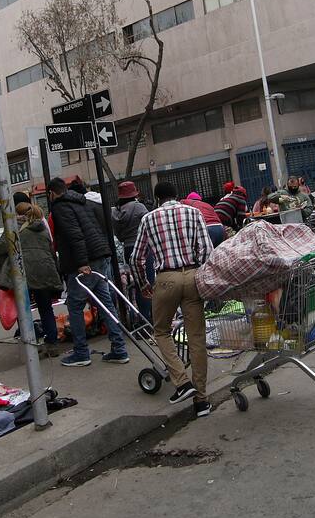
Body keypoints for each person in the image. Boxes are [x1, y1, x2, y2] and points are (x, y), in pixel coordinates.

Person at [131, 181, 213, 417]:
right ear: (177, 195)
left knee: (161, 331)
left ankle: (181, 381)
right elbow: (206, 250)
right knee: (196, 338)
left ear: (157, 199)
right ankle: (201, 400)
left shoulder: (148, 218)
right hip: (193, 275)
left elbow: (136, 257)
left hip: (166, 279)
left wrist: (144, 284)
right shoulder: (193, 212)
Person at [47, 178, 129, 367]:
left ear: (52, 193)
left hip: (84, 263)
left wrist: (82, 263)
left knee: (75, 306)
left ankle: (81, 352)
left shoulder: (60, 207)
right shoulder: (82, 202)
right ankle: (119, 348)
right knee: (106, 303)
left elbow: (74, 235)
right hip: (99, 255)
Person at [0, 203, 64, 358]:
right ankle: (52, 344)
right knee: (46, 308)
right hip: (45, 271)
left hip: (23, 272)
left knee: (23, 309)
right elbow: (51, 251)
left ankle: (30, 344)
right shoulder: (42, 228)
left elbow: (0, 248)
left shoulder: (13, 227)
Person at [112, 181, 154, 321]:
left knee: (138, 284)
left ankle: (141, 318)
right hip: (143, 247)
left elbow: (118, 234)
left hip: (128, 248)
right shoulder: (139, 207)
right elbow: (150, 225)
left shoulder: (115, 211)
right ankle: (152, 318)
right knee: (148, 282)